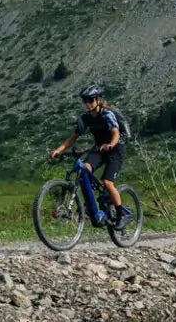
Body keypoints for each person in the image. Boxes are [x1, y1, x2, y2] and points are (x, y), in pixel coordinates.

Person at [49, 84, 129, 223]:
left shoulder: (106, 114)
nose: (87, 104)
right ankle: (90, 207)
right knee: (84, 170)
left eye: (91, 100)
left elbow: (115, 132)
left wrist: (110, 144)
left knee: (107, 182)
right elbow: (73, 137)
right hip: (99, 148)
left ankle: (121, 215)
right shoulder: (85, 118)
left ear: (98, 99)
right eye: (85, 101)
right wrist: (58, 150)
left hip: (116, 148)